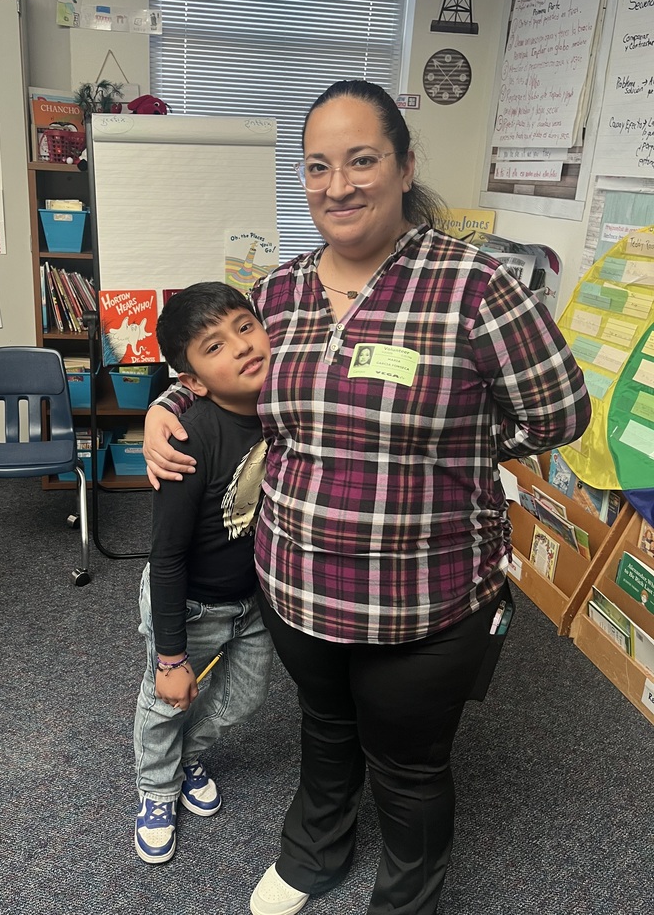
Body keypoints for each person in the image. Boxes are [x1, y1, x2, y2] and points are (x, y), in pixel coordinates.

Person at [143, 80, 591, 913]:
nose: (338, 185)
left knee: (410, 765)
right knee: (326, 729)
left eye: (361, 160)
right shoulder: (275, 293)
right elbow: (228, 383)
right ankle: (314, 853)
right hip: (295, 582)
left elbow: (559, 413)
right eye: (318, 166)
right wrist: (163, 407)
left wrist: (459, 443)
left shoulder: (473, 287)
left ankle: (408, 897)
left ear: (404, 165)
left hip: (422, 598)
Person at [133, 282, 274, 865]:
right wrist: (170, 658)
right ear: (190, 381)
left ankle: (190, 756)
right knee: (168, 699)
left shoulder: (284, 408)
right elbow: (165, 557)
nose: (241, 348)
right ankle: (156, 788)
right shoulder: (187, 440)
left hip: (256, 602)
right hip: (190, 603)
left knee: (245, 697)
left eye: (245, 327)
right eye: (213, 347)